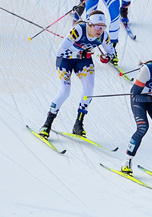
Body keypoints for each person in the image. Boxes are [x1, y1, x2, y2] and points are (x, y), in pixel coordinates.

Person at [37, 10, 116, 139]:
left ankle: (78, 124)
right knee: (65, 91)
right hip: (66, 60)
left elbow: (111, 52)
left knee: (89, 88)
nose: (100, 30)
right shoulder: (78, 30)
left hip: (83, 60)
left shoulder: (103, 36)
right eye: (97, 26)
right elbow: (60, 52)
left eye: (102, 27)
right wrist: (79, 54)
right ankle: (47, 124)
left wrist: (107, 58)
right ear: (89, 25)